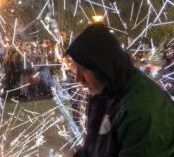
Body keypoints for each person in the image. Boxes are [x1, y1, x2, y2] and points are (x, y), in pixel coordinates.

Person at [66, 24, 174, 156]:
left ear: (101, 67)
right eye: (75, 68)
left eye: (82, 69)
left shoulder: (141, 110)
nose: (77, 78)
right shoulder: (104, 91)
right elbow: (94, 148)